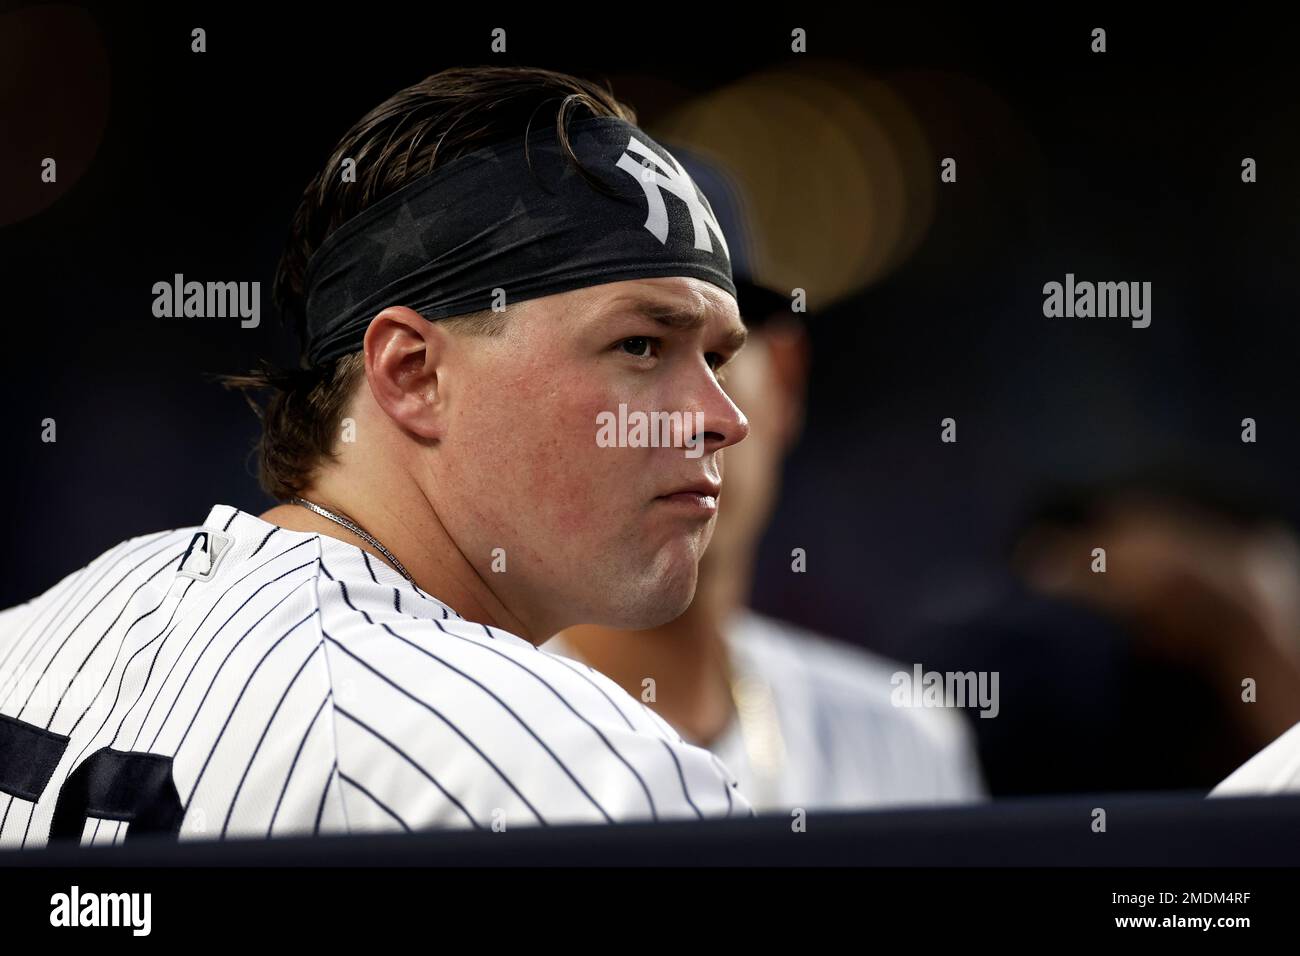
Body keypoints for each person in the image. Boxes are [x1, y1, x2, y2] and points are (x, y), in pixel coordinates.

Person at [0, 66, 757, 849]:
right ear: (413, 375)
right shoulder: (581, 776)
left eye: (719, 359)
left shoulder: (30, 638)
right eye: (640, 345)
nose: (722, 419)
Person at [546, 149, 985, 811]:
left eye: (718, 356)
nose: (693, 419)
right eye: (634, 348)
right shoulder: (456, 733)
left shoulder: (903, 734)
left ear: (782, 380)